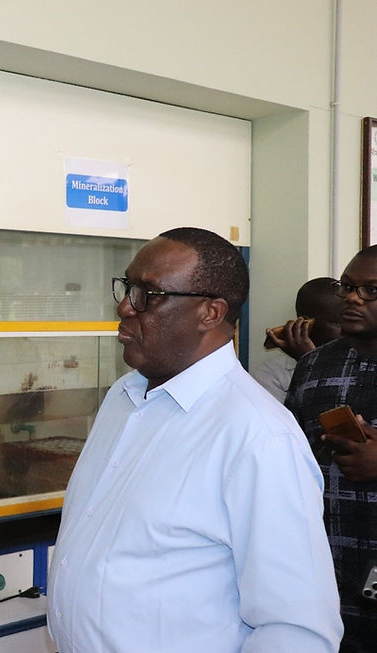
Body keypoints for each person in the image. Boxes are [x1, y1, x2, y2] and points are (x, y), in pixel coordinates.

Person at [47, 227, 342, 652]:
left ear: (210, 313)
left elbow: (297, 631)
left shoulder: (259, 438)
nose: (124, 306)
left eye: (148, 294)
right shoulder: (123, 397)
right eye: (128, 287)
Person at [285, 245, 377, 652]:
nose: (353, 298)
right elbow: (289, 459)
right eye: (348, 287)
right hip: (324, 579)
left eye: (371, 290)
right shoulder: (313, 365)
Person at [251, 276, 342, 402]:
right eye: (338, 323)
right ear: (306, 324)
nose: (350, 328)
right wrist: (310, 362)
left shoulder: (364, 360)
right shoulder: (272, 374)